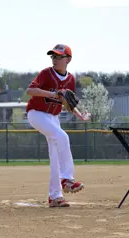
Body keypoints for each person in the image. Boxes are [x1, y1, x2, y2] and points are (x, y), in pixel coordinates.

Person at [25, 44, 90, 207]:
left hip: (53, 117)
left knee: (55, 156)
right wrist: (53, 94)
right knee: (62, 136)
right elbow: (30, 90)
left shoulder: (71, 79)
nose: (54, 59)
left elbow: (68, 102)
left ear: (68, 60)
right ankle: (67, 179)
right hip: (37, 113)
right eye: (53, 56)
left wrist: (80, 115)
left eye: (58, 56)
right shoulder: (47, 73)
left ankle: (55, 197)